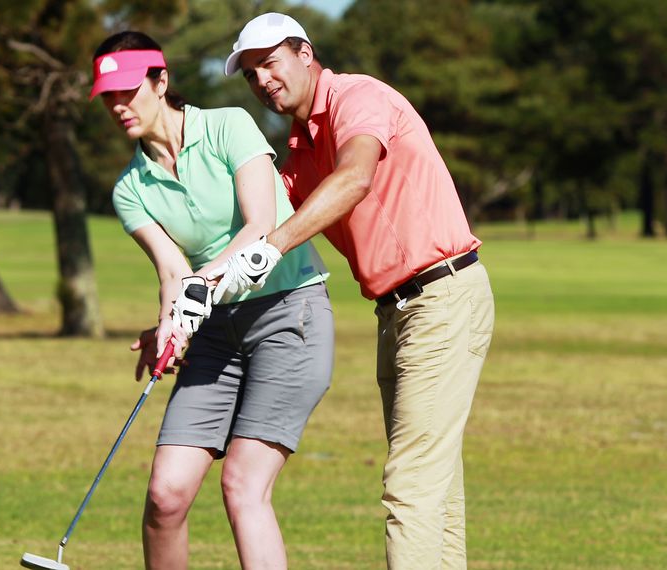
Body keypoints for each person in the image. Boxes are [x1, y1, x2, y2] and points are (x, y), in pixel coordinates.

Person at [210, 12, 496, 569]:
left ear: (305, 54)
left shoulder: (356, 97)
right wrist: (197, 289)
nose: (263, 81)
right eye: (250, 75)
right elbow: (253, 223)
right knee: (435, 487)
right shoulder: (299, 151)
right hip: (397, 312)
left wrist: (274, 247)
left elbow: (355, 176)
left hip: (442, 294)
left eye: (270, 64)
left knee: (410, 487)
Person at [90, 31, 335, 570]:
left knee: (242, 486)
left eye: (129, 90)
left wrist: (201, 283)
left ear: (161, 81)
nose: (118, 105)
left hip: (288, 315)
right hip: (215, 333)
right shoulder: (130, 189)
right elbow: (171, 271)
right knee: (166, 496)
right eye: (108, 95)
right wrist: (170, 326)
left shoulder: (227, 126)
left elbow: (261, 226)